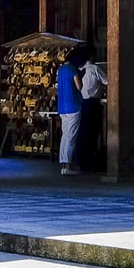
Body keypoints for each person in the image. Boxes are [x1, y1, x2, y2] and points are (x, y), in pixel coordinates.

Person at [56, 45, 89, 175]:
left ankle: (63, 163)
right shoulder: (73, 70)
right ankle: (67, 166)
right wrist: (81, 75)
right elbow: (79, 87)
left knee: (65, 135)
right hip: (73, 106)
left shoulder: (61, 69)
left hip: (62, 107)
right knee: (71, 136)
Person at [77, 51, 107, 172]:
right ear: (91, 56)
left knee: (83, 131)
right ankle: (90, 160)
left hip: (82, 102)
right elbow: (107, 81)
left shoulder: (80, 70)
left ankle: (81, 159)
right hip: (92, 102)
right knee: (93, 131)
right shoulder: (95, 68)